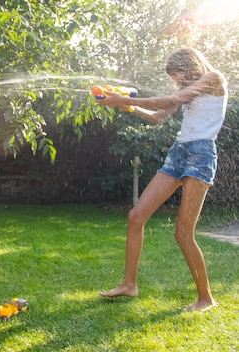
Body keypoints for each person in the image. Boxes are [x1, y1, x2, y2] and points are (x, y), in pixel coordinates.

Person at [96, 48, 227, 312]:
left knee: (183, 233)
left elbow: (172, 99)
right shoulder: (189, 87)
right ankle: (129, 284)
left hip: (201, 155)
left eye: (179, 76)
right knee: (136, 216)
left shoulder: (212, 78)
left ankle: (206, 298)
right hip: (179, 153)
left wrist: (126, 99)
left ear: (190, 67)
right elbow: (158, 117)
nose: (178, 82)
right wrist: (126, 105)